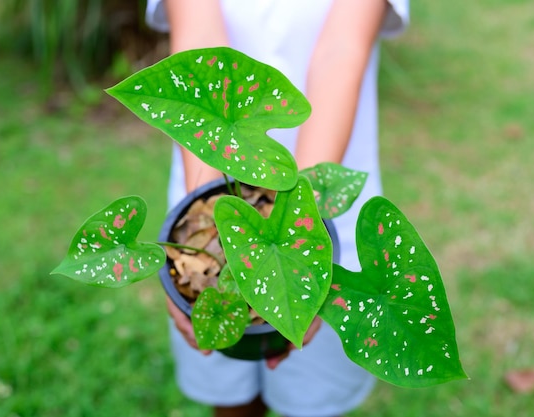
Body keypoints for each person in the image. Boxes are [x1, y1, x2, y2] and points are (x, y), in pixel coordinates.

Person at [145, 1, 409, 416]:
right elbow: (199, 46)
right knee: (230, 398)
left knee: (313, 398)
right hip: (207, 182)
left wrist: (298, 230)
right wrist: (209, 221)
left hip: (323, 192)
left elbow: (340, 49)